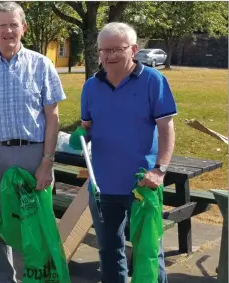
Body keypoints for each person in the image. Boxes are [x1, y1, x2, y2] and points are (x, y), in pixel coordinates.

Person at [0, 2, 66, 282]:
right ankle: (3, 279)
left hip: (34, 157)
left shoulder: (42, 65)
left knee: (33, 224)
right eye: (2, 25)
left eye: (13, 24)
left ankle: (34, 277)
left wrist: (47, 162)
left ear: (24, 28)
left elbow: (52, 117)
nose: (8, 30)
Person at [74, 22, 176, 283]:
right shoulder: (91, 87)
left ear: (133, 49)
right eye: (103, 51)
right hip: (103, 186)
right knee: (109, 251)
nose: (108, 57)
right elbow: (87, 127)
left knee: (148, 251)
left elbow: (167, 129)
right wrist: (80, 136)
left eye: (116, 50)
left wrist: (160, 169)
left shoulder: (154, 81)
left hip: (143, 184)